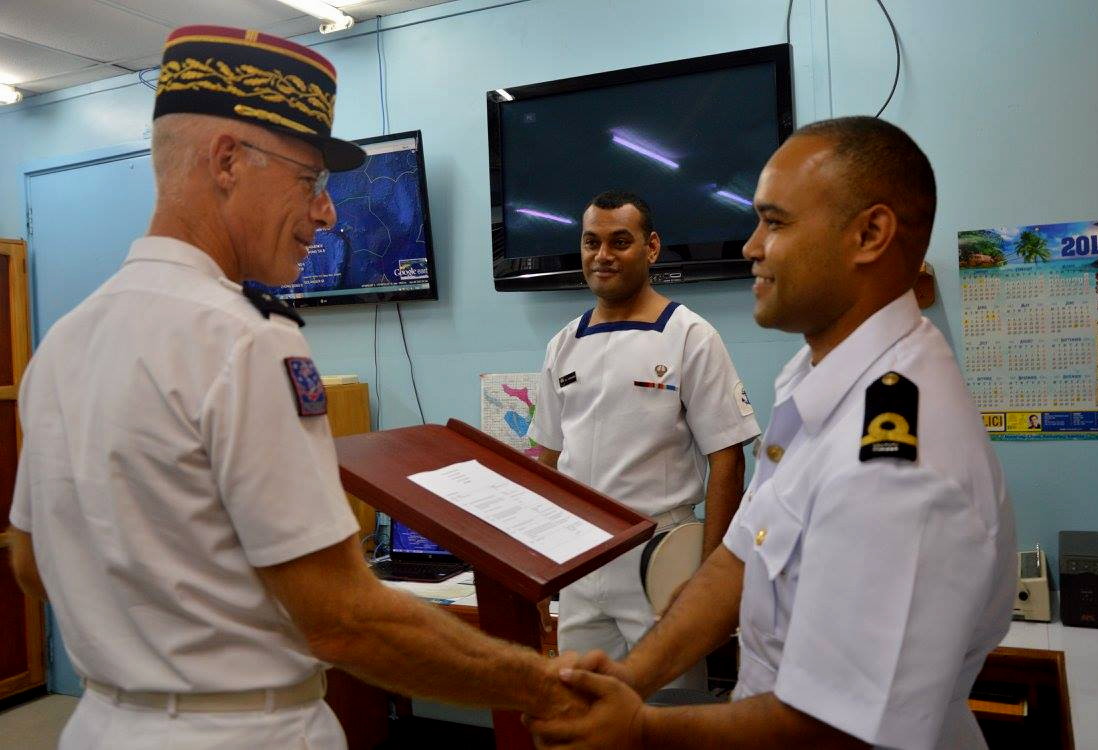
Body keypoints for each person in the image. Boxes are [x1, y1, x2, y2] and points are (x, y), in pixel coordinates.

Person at [7, 25, 578, 749]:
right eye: (309, 181)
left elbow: (32, 565)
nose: (327, 213)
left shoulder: (63, 341)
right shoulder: (247, 339)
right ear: (226, 161)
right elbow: (343, 619)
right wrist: (538, 683)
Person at [528, 117, 1017, 749]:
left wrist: (641, 727)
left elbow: (834, 726)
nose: (750, 246)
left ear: (869, 234)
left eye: (776, 222)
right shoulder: (815, 386)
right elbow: (740, 556)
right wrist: (631, 677)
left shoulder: (897, 457)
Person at [529, 190, 762, 690]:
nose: (603, 255)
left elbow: (727, 460)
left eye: (620, 241)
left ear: (651, 247)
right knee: (584, 706)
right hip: (578, 560)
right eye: (591, 242)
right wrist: (540, 569)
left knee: (668, 716)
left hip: (659, 559)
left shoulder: (690, 335)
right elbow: (545, 460)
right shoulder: (563, 343)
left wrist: (709, 579)